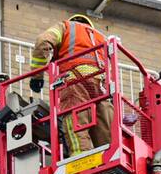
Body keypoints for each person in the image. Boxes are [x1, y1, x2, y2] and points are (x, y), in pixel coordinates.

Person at [28, 13, 114, 156]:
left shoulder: (65, 27)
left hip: (75, 79)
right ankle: (110, 157)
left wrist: (36, 75)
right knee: (105, 127)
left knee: (76, 121)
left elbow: (43, 42)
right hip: (101, 85)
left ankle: (80, 159)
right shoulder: (101, 37)